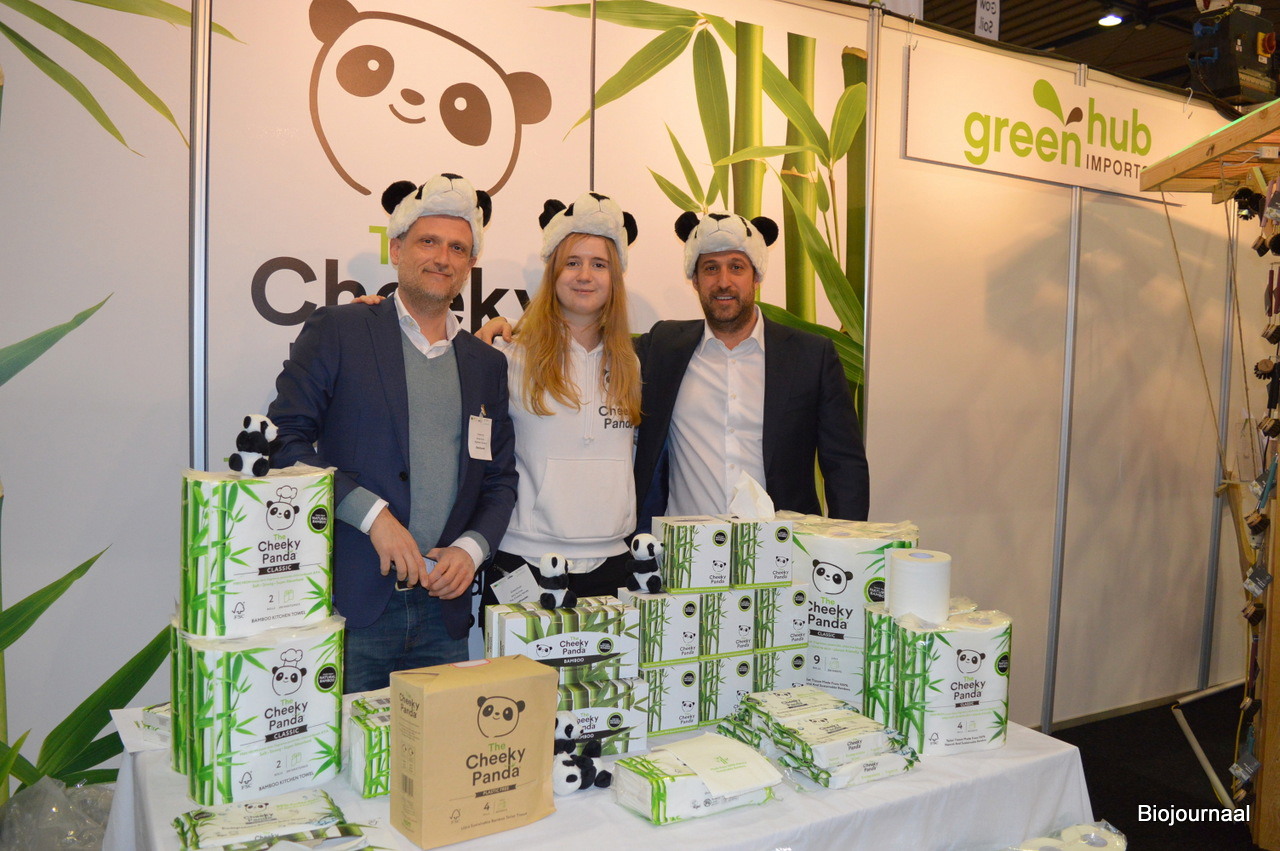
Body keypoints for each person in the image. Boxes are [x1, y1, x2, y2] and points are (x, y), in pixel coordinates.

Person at [267, 173, 517, 692]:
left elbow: (499, 479)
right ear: (397, 248)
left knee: (434, 746)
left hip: (444, 612)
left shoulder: (486, 364)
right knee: (348, 744)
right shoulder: (340, 330)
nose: (442, 258)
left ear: (471, 264)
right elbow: (284, 443)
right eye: (428, 242)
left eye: (457, 248)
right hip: (355, 604)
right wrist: (373, 516)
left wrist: (472, 549)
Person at [363, 191, 643, 602]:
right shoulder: (507, 353)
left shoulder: (631, 363)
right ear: (553, 272)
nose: (585, 275)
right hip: (523, 560)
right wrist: (374, 316)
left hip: (613, 560)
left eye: (599, 264)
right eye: (572, 262)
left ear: (616, 276)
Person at [631, 210, 869, 527]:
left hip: (783, 547)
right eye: (711, 268)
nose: (723, 282)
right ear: (695, 280)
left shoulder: (811, 356)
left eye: (736, 267)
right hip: (687, 550)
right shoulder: (663, 346)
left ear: (756, 276)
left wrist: (847, 543)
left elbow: (844, 465)